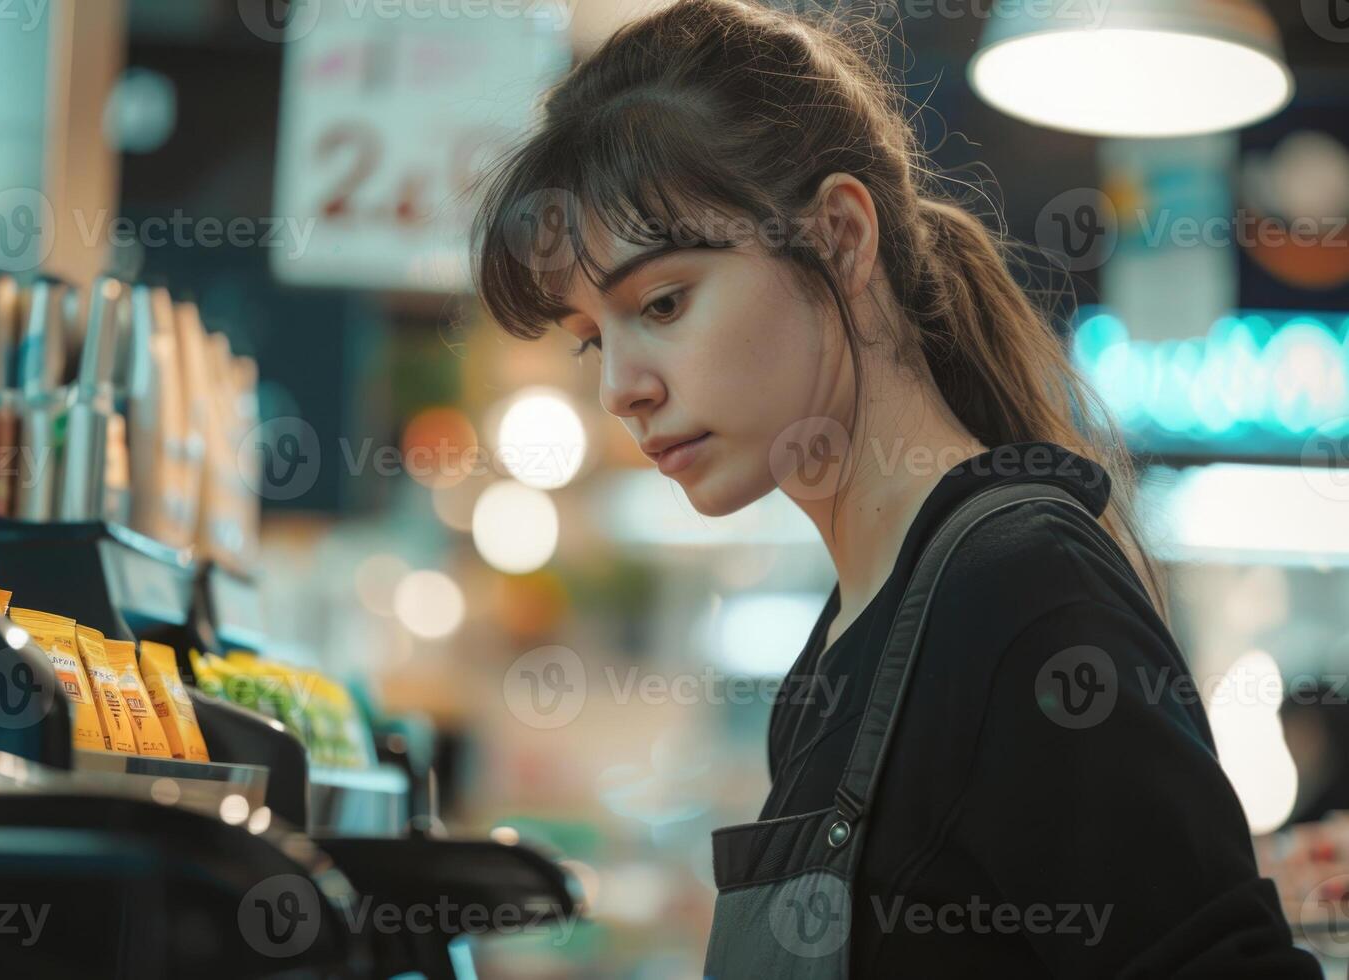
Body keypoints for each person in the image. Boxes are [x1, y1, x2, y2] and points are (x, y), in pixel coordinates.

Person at [467, 0, 1320, 974]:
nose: (622, 386)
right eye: (592, 339)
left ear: (838, 234)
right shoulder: (845, 647)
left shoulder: (1024, 590)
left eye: (662, 302)